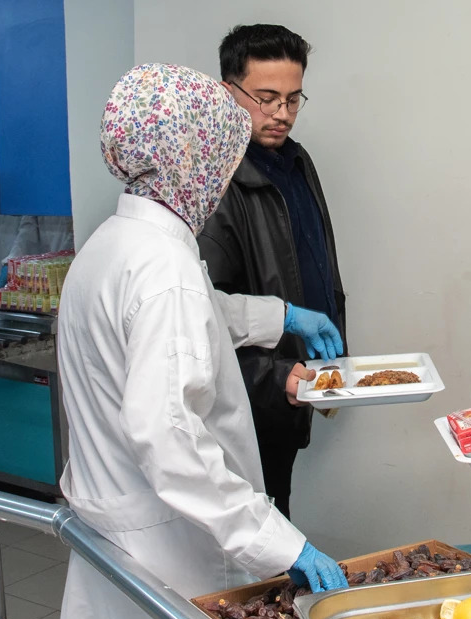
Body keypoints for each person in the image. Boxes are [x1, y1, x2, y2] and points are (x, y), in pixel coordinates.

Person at [53, 63, 346, 619]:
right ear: (196, 156)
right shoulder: (164, 270)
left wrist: (279, 316)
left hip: (121, 529)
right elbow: (170, 440)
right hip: (168, 545)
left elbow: (199, 315)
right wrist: (280, 541)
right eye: (225, 150)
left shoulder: (118, 242)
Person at [200, 24, 346, 520]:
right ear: (227, 91)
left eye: (293, 99)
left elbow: (316, 262)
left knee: (275, 514)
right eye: (266, 98)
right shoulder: (212, 183)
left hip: (292, 384)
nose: (282, 114)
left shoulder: (296, 161)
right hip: (247, 399)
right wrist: (274, 376)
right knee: (246, 538)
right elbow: (205, 321)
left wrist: (329, 352)